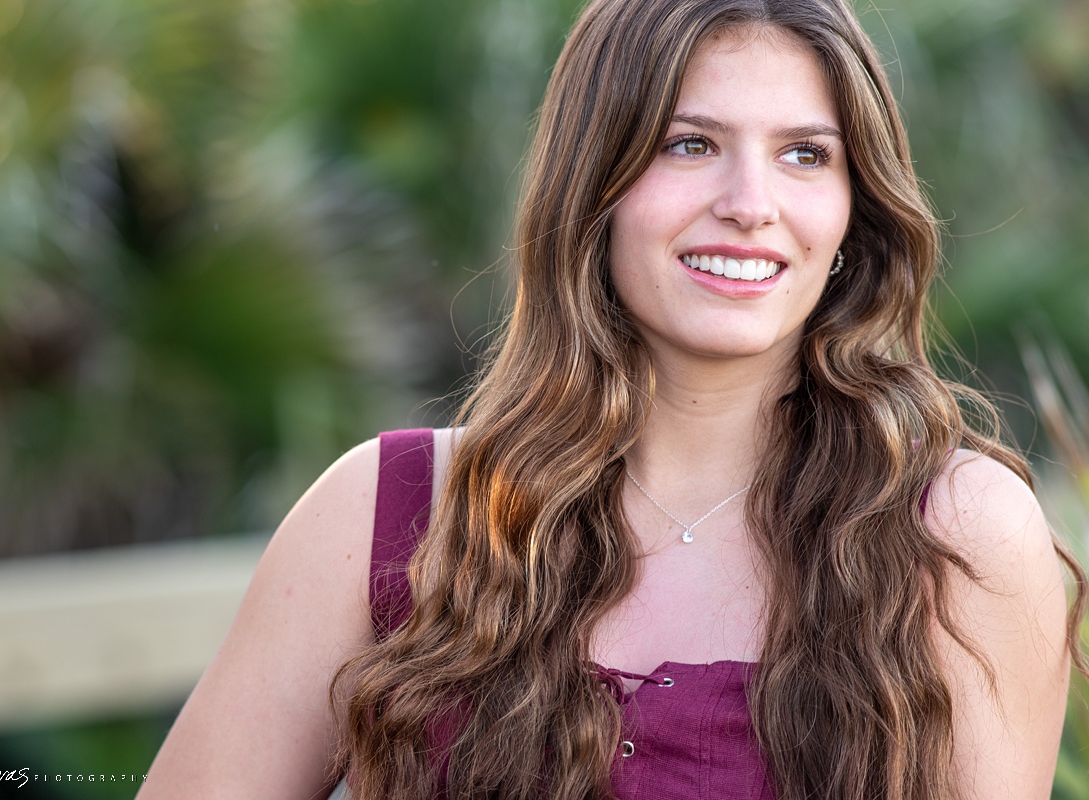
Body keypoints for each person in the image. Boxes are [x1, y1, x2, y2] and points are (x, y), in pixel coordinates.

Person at [137, 0, 1086, 797]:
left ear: (854, 212)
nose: (752, 202)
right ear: (594, 183)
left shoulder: (958, 538)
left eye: (805, 155)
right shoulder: (390, 516)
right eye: (690, 143)